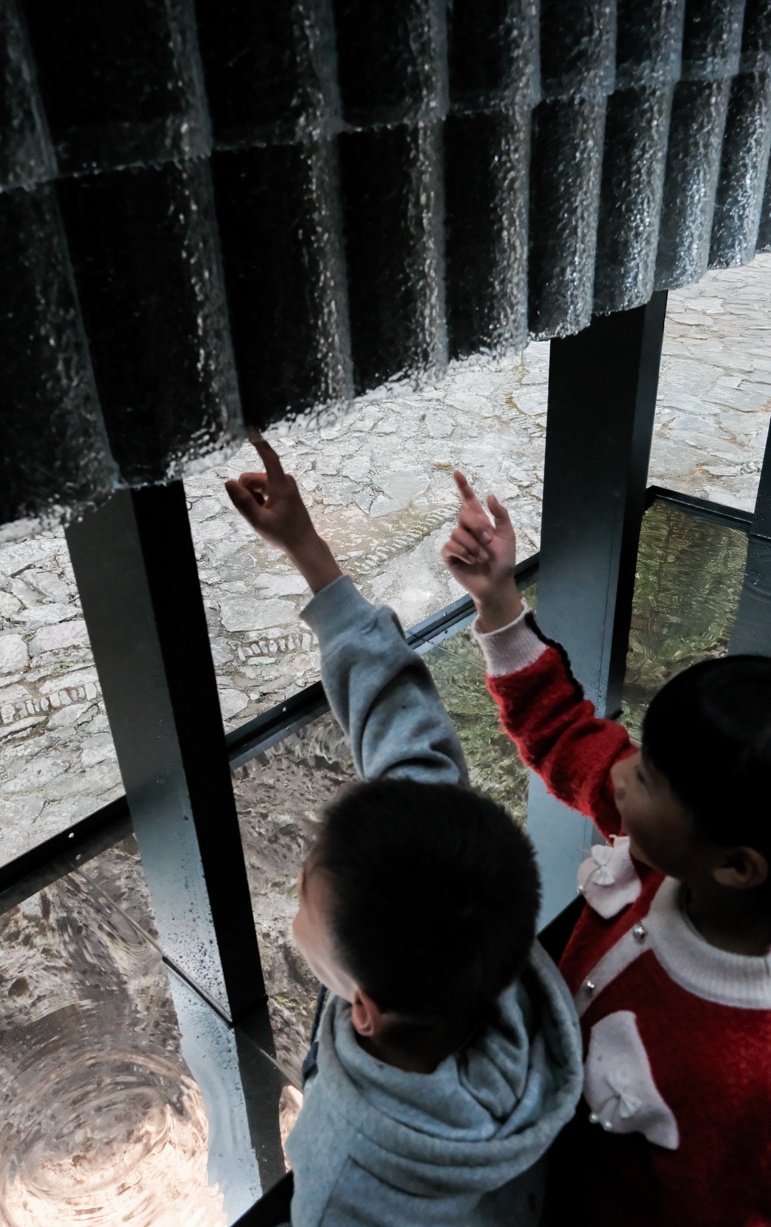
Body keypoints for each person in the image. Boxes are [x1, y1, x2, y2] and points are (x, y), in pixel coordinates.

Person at [225, 436, 583, 1227]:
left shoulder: (347, 1186)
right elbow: (399, 723)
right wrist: (308, 552)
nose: (298, 893)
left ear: (362, 1010)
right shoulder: (475, 950)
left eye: (304, 911)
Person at [441, 469, 771, 1227]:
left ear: (737, 865)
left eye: (647, 777)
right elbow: (562, 729)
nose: (621, 778)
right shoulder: (671, 853)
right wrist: (497, 599)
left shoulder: (748, 1075)